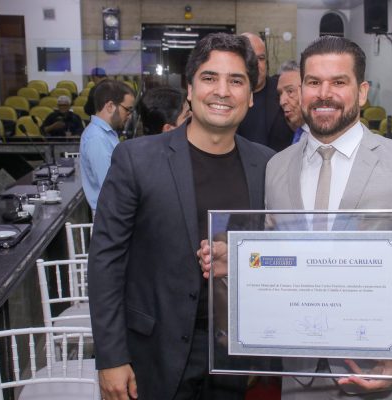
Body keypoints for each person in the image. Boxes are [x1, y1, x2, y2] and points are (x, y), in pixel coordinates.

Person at [267, 35, 392, 400]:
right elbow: (275, 261)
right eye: (313, 82)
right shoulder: (276, 167)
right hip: (297, 375)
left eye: (339, 82)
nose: (324, 94)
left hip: (377, 373)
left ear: (362, 92)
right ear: (301, 90)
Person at [88, 33, 274, 400]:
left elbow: (275, 255)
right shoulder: (136, 159)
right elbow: (105, 261)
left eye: (236, 81)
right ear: (189, 89)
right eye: (209, 78)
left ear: (251, 95)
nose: (222, 91)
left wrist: (260, 344)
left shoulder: (267, 165)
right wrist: (110, 357)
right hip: (152, 353)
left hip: (233, 351)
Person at [79, 80, 134, 214]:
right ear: (110, 106)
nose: (129, 115)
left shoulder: (106, 134)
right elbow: (111, 186)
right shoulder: (97, 138)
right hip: (111, 215)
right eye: (127, 109)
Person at [238, 32, 293, 151]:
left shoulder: (283, 91)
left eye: (261, 58)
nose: (256, 64)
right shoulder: (229, 96)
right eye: (250, 58)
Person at [276, 60, 306, 144]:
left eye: (290, 91)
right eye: (280, 94)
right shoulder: (297, 134)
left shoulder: (325, 137)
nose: (282, 102)